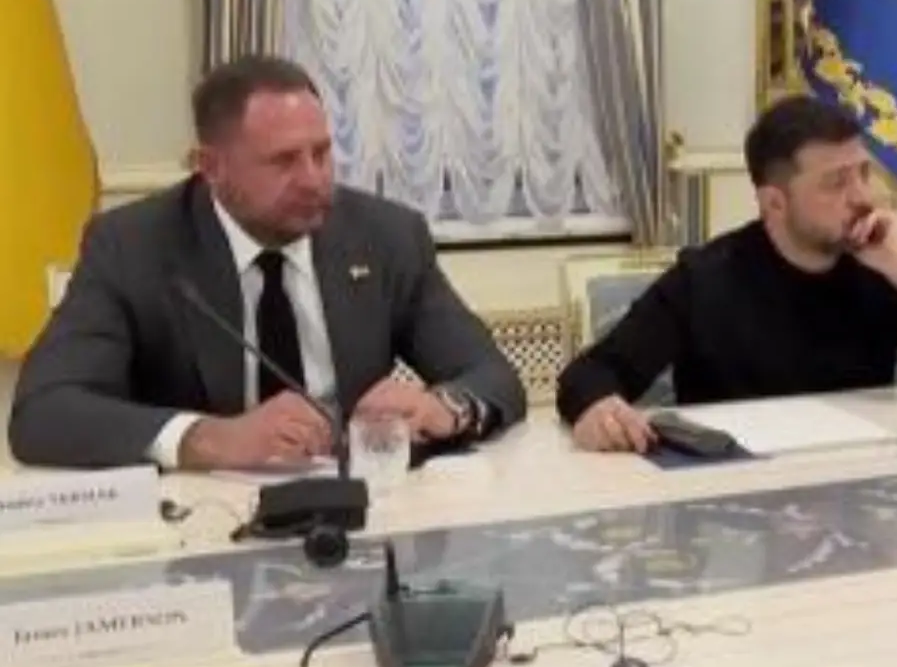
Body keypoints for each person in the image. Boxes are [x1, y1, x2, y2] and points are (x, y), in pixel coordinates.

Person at [7, 55, 524, 471]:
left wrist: (445, 408)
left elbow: (490, 374)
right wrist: (208, 438)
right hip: (205, 519)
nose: (313, 179)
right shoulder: (132, 246)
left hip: (362, 505)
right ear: (211, 167)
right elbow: (43, 412)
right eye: (283, 161)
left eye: (321, 153)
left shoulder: (386, 236)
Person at [557, 95, 897, 452]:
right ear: (774, 203)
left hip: (852, 482)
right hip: (735, 496)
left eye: (863, 173)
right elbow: (590, 373)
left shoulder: (878, 267)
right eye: (836, 182)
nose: (862, 196)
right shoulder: (705, 279)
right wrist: (599, 407)